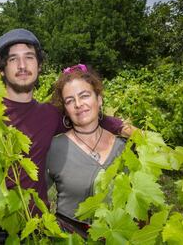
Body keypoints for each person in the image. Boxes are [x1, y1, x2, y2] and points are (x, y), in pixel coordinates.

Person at [0, 29, 128, 245]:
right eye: (13, 59)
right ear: (2, 69)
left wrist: (122, 127)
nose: (22, 65)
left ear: (38, 66)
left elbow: (84, 116)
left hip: (40, 231)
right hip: (0, 234)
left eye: (29, 57)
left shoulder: (49, 115)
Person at [46, 64, 130, 239]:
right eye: (69, 100)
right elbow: (35, 197)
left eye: (84, 96)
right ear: (66, 110)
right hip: (69, 238)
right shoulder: (54, 147)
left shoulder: (124, 147)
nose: (78, 104)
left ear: (98, 99)